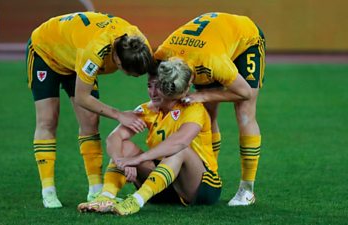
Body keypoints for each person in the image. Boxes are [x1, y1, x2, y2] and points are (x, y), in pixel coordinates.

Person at [26, 12, 155, 208]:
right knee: (48, 119)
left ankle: (95, 190)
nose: (130, 77)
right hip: (46, 51)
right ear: (117, 61)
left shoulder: (138, 42)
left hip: (74, 53)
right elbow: (82, 97)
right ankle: (48, 190)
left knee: (90, 121)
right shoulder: (94, 51)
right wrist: (120, 114)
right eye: (128, 73)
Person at [77, 58, 222, 215]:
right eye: (149, 85)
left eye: (158, 86)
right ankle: (105, 196)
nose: (152, 93)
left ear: (169, 86)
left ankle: (136, 200)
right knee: (124, 146)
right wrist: (122, 162)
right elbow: (114, 138)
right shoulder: (147, 109)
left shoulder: (193, 108)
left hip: (199, 186)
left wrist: (138, 159)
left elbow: (180, 142)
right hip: (162, 185)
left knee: (180, 150)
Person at [154, 12, 266, 206]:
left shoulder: (214, 62)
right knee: (207, 113)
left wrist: (204, 95)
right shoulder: (163, 53)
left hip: (246, 40)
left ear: (191, 80)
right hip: (206, 45)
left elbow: (245, 92)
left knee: (244, 112)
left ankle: (247, 189)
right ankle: (208, 173)